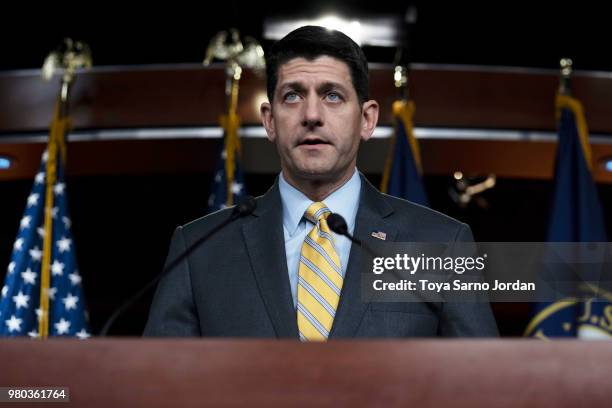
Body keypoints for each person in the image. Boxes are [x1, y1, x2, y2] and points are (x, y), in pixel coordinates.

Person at [144, 25, 498, 338]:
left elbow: (484, 386)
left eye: (332, 95)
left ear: (367, 119)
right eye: (293, 96)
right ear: (269, 120)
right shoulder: (198, 249)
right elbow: (156, 386)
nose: (312, 116)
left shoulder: (442, 244)